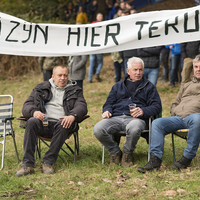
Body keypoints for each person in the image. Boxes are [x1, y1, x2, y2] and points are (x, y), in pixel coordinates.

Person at [16, 65, 87, 177]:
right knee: (31, 122)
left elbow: (82, 106)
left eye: (65, 75)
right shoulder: (40, 88)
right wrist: (34, 112)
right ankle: (28, 165)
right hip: (42, 122)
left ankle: (48, 162)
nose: (63, 78)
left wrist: (72, 116)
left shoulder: (75, 90)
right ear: (53, 76)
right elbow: (26, 106)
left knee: (63, 123)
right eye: (60, 75)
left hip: (62, 124)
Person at [94, 57, 162, 167]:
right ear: (128, 71)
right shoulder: (118, 86)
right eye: (135, 70)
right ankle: (115, 152)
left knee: (134, 128)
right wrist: (107, 110)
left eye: (140, 70)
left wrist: (143, 111)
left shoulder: (149, 87)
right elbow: (109, 102)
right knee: (98, 129)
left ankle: (127, 153)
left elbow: (157, 106)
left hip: (136, 119)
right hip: (115, 117)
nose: (138, 73)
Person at [138, 54, 200, 173]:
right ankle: (155, 160)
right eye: (196, 67)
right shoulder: (187, 85)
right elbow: (175, 103)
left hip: (196, 118)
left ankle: (187, 158)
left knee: (197, 119)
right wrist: (175, 112)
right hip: (179, 118)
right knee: (157, 123)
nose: (198, 69)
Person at [88, 13, 104, 83]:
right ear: (97, 17)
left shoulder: (92, 24)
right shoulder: (103, 25)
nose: (101, 17)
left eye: (101, 16)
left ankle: (90, 78)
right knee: (100, 62)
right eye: (100, 16)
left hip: (92, 46)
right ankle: (96, 73)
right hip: (97, 46)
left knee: (92, 63)